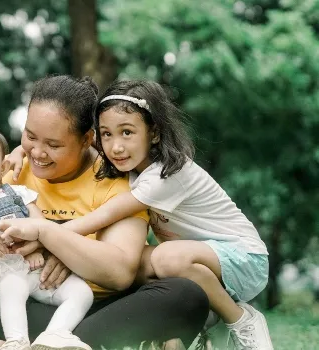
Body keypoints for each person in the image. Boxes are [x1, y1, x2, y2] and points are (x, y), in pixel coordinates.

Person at [0, 75, 210, 349]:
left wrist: (51, 238)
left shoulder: (115, 178)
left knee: (187, 296)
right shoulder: (13, 171)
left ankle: (45, 344)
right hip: (33, 302)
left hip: (104, 305)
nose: (38, 153)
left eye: (53, 145)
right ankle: (70, 343)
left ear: (86, 139)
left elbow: (120, 272)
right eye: (30, 136)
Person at [41, 80, 272, 349]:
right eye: (106, 134)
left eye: (127, 132)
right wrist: (24, 151)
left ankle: (241, 319)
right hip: (198, 262)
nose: (115, 146)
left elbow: (104, 215)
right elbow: (78, 150)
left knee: (164, 257)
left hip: (246, 259)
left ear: (154, 133)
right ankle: (198, 321)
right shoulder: (132, 167)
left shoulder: (168, 174)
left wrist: (48, 236)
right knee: (126, 262)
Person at [0, 123, 93, 350]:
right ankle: (17, 340)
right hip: (5, 272)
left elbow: (42, 226)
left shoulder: (19, 194)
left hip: (37, 271)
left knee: (82, 292)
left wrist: (37, 248)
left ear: (3, 166)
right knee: (13, 288)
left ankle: (55, 335)